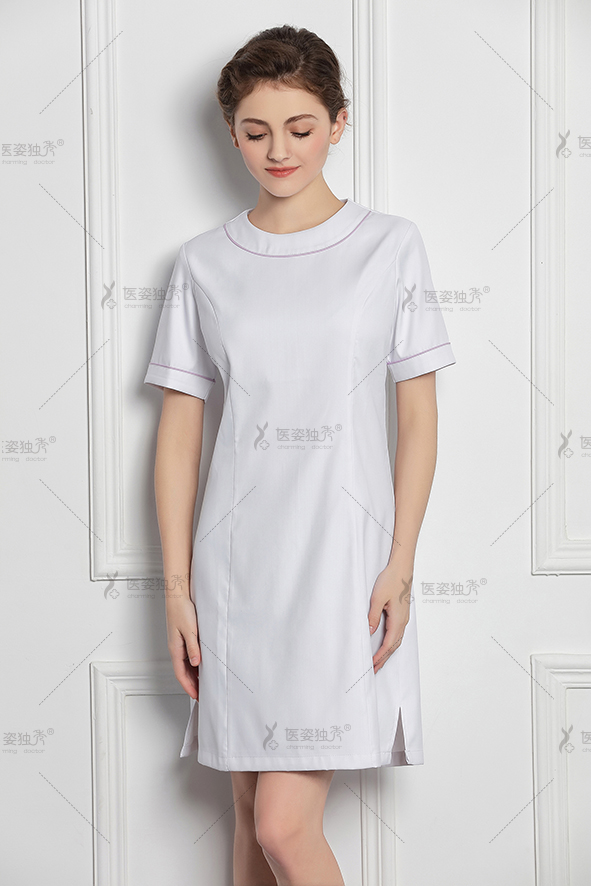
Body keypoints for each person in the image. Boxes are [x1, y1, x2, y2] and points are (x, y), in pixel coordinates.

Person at [144, 23, 456, 886]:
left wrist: (400, 563)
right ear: (231, 132)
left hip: (342, 569)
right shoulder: (203, 263)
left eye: (300, 127)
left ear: (338, 123)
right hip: (235, 574)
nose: (277, 150)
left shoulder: (389, 246)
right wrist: (176, 591)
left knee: (283, 827)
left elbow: (419, 416)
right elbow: (179, 431)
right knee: (250, 824)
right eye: (255, 131)